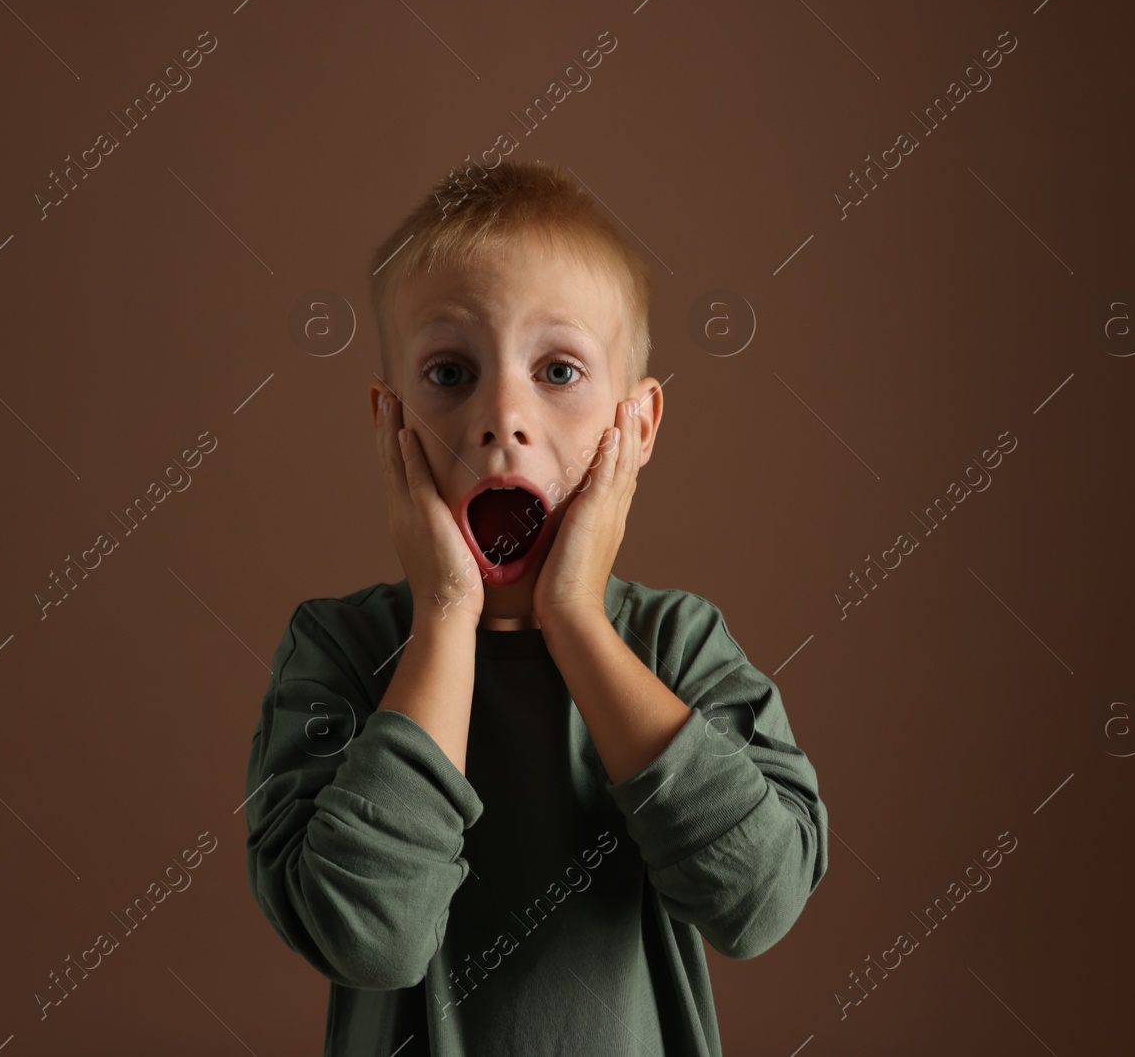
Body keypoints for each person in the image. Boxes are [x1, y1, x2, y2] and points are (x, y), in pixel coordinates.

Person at [243, 158, 829, 1055]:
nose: (502, 416)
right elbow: (372, 936)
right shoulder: (338, 649)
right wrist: (444, 613)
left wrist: (578, 620)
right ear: (390, 423)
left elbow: (758, 901)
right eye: (449, 372)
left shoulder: (679, 644)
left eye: (557, 369)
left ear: (636, 427)